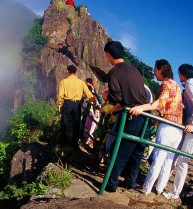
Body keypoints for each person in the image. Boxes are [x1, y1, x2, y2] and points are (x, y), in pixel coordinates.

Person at [129, 59, 183, 195]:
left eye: (155, 70)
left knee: (158, 159)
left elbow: (159, 104)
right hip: (178, 128)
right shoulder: (176, 86)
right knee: (168, 160)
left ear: (161, 69)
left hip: (167, 127)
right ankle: (159, 189)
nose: (154, 73)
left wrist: (141, 107)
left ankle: (146, 188)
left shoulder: (166, 84)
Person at [102, 41, 148, 192]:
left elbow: (116, 97)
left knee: (120, 151)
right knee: (136, 153)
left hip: (131, 115)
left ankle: (110, 185)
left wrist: (108, 98)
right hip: (145, 115)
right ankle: (130, 181)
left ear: (109, 54)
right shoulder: (134, 69)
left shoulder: (114, 72)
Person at [162, 64, 193, 199]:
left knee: (183, 160)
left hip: (192, 129)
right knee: (180, 157)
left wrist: (192, 123)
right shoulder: (190, 84)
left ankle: (175, 193)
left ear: (183, 73)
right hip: (191, 126)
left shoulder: (189, 84)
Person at [57, 65, 94, 149]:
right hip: (77, 105)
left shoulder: (63, 81)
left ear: (67, 71)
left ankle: (62, 144)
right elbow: (89, 94)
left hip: (67, 104)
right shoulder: (81, 82)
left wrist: (59, 104)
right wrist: (94, 103)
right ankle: (75, 145)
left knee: (64, 124)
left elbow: (60, 95)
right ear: (75, 72)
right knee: (76, 125)